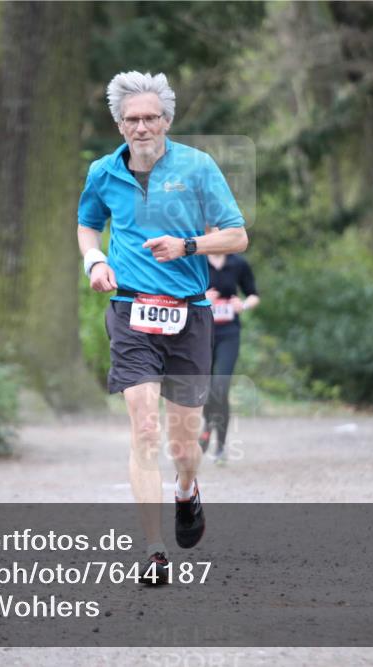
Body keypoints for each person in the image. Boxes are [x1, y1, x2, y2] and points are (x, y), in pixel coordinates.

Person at [76, 71, 248, 584]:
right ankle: (153, 550)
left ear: (167, 120)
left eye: (151, 117)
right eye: (132, 119)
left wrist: (188, 246)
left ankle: (187, 489)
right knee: (144, 428)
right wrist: (95, 262)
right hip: (129, 312)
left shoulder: (198, 168)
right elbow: (88, 223)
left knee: (181, 444)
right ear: (119, 124)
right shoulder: (103, 172)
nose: (142, 126)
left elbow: (237, 236)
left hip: (189, 314)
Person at [199, 248, 259, 464]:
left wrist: (242, 305)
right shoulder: (197, 261)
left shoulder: (238, 263)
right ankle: (207, 426)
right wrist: (201, 298)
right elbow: (181, 293)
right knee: (204, 389)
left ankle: (221, 446)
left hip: (229, 335)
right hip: (202, 334)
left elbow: (254, 295)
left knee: (220, 387)